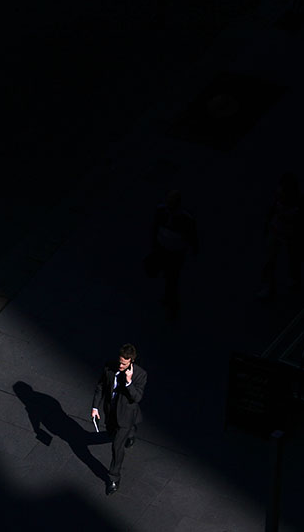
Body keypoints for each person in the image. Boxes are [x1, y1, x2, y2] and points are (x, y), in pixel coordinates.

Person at [91, 343, 147, 495]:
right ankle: (131, 432)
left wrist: (129, 383)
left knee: (117, 446)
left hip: (126, 416)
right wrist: (95, 407)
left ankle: (114, 478)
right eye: (120, 362)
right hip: (110, 412)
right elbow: (101, 386)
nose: (121, 365)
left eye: (124, 363)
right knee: (111, 433)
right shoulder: (109, 367)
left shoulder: (140, 375)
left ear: (131, 361)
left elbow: (137, 397)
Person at [257, 172, 304, 299]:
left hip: (291, 235)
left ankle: (293, 279)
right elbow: (272, 213)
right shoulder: (279, 197)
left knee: (293, 259)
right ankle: (269, 286)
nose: (279, 192)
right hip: (276, 232)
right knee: (269, 261)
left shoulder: (300, 202)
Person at [151, 190, 199, 316]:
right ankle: (169, 298)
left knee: (172, 277)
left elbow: (192, 235)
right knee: (169, 276)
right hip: (163, 248)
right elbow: (155, 226)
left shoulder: (185, 219)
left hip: (175, 253)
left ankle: (171, 303)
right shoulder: (161, 211)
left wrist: (194, 247)